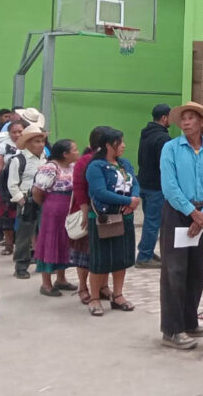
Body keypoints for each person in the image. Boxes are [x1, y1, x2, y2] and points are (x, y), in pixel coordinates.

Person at [159, 102, 203, 349]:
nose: (185, 122)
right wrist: (192, 213)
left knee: (196, 270)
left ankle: (190, 321)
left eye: (191, 118)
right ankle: (172, 330)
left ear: (202, 122)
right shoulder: (171, 149)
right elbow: (169, 186)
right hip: (177, 213)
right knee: (174, 271)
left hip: (201, 214)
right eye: (183, 118)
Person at [85, 127, 139, 316]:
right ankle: (94, 298)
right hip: (103, 219)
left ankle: (118, 295)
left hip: (124, 217)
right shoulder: (96, 167)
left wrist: (134, 199)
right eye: (119, 142)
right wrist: (127, 201)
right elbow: (100, 192)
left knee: (121, 258)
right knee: (100, 260)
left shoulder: (124, 164)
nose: (123, 145)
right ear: (108, 145)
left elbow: (135, 182)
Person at [70, 127, 113, 305]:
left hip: (107, 212)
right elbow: (79, 187)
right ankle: (83, 287)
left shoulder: (111, 160)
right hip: (88, 211)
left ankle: (103, 286)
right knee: (85, 253)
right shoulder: (86, 161)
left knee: (105, 252)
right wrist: (85, 212)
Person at [32, 139, 80, 296]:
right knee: (49, 242)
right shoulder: (50, 168)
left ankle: (61, 279)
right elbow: (37, 192)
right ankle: (46, 283)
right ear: (65, 154)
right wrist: (47, 206)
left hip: (68, 209)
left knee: (64, 242)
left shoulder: (73, 166)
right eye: (74, 150)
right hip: (53, 211)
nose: (77, 152)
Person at [9, 124, 48, 279]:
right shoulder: (18, 160)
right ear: (27, 143)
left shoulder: (46, 159)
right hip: (27, 199)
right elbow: (12, 184)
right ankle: (21, 265)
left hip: (44, 199)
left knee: (43, 232)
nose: (41, 144)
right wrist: (21, 201)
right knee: (24, 235)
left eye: (42, 141)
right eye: (37, 142)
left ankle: (42, 262)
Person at [136, 104, 172, 268]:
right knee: (153, 222)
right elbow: (165, 165)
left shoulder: (146, 133)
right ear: (164, 118)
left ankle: (147, 251)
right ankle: (144, 257)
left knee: (150, 220)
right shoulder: (162, 138)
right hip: (156, 186)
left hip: (144, 183)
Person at [0, 120, 25, 250]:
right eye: (14, 132)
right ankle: (8, 244)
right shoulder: (2, 147)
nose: (17, 134)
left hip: (24, 184)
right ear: (9, 133)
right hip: (5, 184)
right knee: (6, 214)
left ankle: (22, 243)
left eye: (20, 131)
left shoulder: (28, 145)